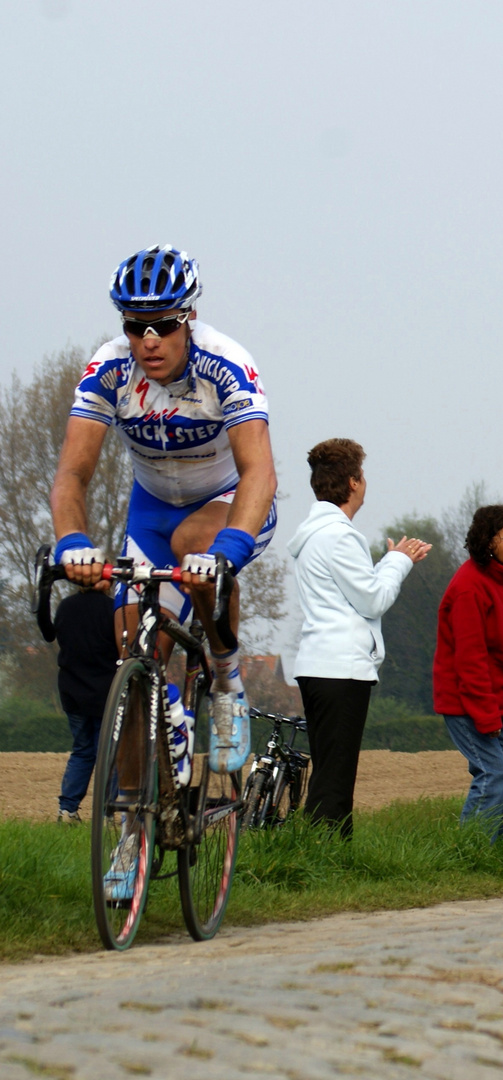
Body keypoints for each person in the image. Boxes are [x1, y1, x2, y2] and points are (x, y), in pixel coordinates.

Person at [51, 245, 277, 898]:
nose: (148, 341)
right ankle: (133, 826)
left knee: (196, 542)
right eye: (134, 325)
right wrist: (72, 538)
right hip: (149, 513)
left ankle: (228, 682)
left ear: (190, 319)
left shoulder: (225, 364)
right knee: (132, 653)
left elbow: (259, 469)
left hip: (228, 505)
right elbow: (73, 471)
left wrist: (232, 546)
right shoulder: (109, 370)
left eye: (163, 325)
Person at [288, 438, 431, 839]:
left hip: (317, 665)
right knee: (336, 777)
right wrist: (399, 561)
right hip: (341, 669)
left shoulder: (312, 533)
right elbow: (373, 599)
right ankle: (326, 855)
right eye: (362, 476)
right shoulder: (340, 535)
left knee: (328, 769)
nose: (364, 483)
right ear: (352, 482)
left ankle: (323, 852)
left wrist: (387, 562)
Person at [433, 505, 503, 841]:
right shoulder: (470, 587)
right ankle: (470, 851)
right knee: (492, 774)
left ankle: (494, 848)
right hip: (467, 702)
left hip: (500, 700)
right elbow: (470, 660)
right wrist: (487, 717)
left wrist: (502, 706)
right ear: (489, 542)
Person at [53, 581, 116, 823]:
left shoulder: (65, 606)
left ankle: (68, 809)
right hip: (106, 693)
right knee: (108, 753)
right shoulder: (114, 609)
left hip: (72, 689)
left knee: (81, 750)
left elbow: (54, 635)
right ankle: (107, 811)